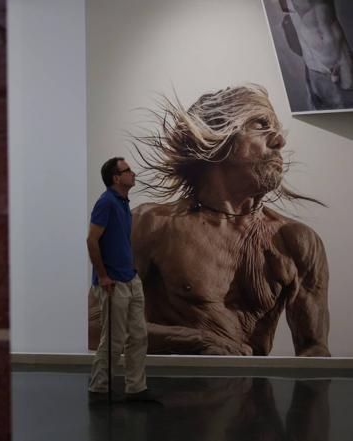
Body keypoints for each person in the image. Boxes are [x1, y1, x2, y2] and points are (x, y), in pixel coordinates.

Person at [131, 84, 330, 356]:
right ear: (220, 137)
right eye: (261, 125)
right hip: (173, 397)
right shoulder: (152, 224)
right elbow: (97, 327)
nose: (280, 141)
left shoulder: (296, 241)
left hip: (255, 398)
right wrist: (197, 342)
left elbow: (314, 353)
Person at [87, 157, 156, 402]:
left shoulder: (124, 202)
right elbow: (91, 240)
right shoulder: (106, 203)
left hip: (130, 279)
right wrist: (103, 276)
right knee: (114, 340)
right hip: (112, 283)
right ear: (117, 178)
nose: (133, 173)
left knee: (139, 335)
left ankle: (136, 389)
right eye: (128, 170)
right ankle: (99, 389)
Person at [280, 0, 353, 109]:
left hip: (340, 53)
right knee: (331, 106)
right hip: (317, 61)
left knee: (348, 93)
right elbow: (286, 12)